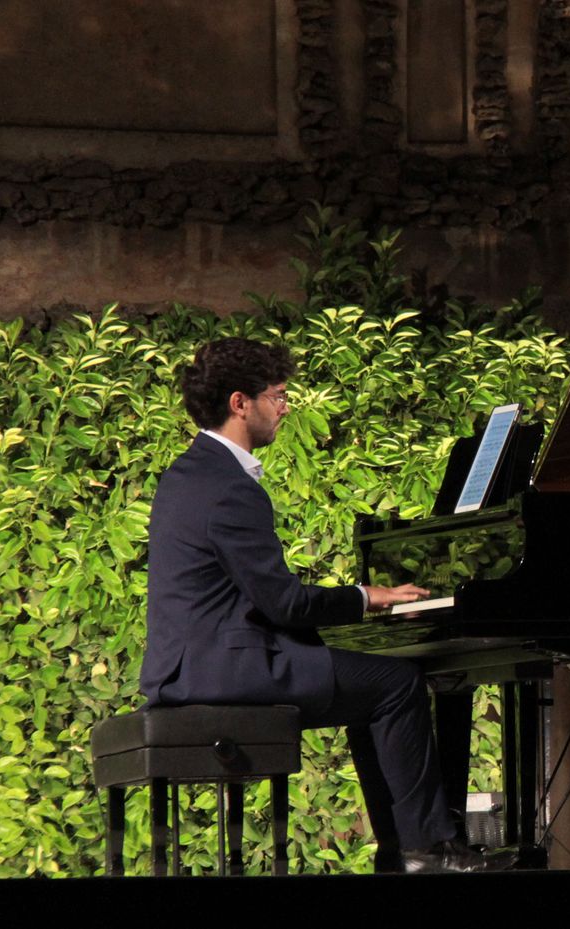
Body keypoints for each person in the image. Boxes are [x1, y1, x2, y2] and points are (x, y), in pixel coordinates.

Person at [139, 337, 477, 873]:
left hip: (192, 665)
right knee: (398, 685)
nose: (286, 406)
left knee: (373, 688)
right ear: (239, 403)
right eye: (277, 395)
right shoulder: (230, 487)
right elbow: (286, 605)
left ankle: (403, 852)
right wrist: (370, 597)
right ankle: (428, 852)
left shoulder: (188, 473)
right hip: (226, 671)